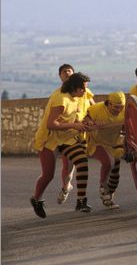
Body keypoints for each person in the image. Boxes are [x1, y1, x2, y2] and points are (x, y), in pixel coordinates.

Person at [30, 73, 93, 218]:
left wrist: (87, 120)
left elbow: (84, 111)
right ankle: (36, 199)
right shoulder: (61, 99)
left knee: (82, 161)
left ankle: (81, 201)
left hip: (66, 138)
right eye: (83, 89)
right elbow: (51, 124)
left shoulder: (78, 96)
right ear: (75, 88)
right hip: (49, 139)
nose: (85, 92)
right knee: (48, 175)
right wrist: (75, 125)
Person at [85, 92, 126, 209]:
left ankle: (109, 197)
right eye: (116, 107)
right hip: (96, 142)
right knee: (108, 162)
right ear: (109, 103)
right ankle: (103, 187)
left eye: (121, 107)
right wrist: (90, 122)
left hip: (114, 143)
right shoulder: (97, 109)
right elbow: (85, 118)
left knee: (115, 175)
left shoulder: (125, 111)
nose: (119, 110)